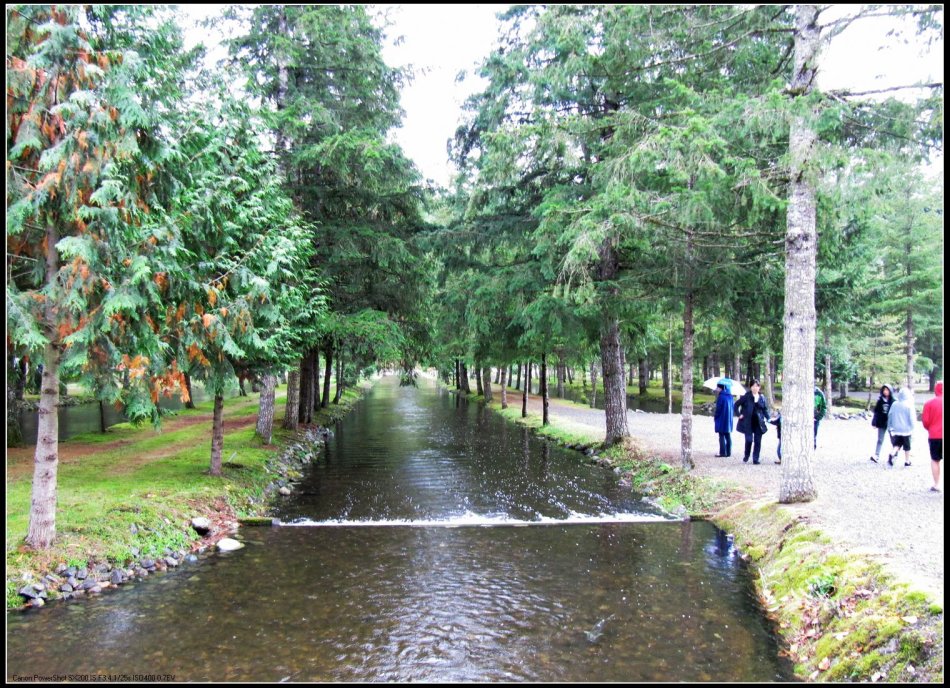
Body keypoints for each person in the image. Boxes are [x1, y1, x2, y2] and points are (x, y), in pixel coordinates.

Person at [736, 379, 769, 464]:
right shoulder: (746, 396)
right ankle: (746, 455)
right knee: (749, 440)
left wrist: (768, 418)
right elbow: (736, 405)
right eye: (753, 386)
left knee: (758, 441)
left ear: (759, 387)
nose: (755, 388)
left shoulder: (762, 397)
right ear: (750, 387)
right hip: (748, 422)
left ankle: (755, 459)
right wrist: (739, 414)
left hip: (759, 422)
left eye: (756, 386)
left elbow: (764, 409)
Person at [886, 387, 916, 467]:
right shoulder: (909, 405)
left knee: (897, 444)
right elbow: (912, 418)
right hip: (906, 430)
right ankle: (907, 461)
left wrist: (889, 427)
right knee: (907, 446)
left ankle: (892, 454)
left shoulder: (894, 404)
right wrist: (913, 428)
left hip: (896, 429)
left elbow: (890, 415)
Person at [921, 381, 943, 491]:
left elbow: (925, 422)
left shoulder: (929, 403)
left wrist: (931, 429)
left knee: (935, 460)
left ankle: (937, 484)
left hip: (935, 436)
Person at [869, 384, 894, 464]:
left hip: (891, 423)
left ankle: (893, 455)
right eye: (884, 390)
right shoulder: (880, 401)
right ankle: (876, 455)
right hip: (882, 423)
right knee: (880, 439)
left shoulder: (893, 401)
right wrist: (874, 422)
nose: (885, 392)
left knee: (893, 440)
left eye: (887, 390)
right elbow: (876, 412)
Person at [713, 381, 735, 457]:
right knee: (728, 435)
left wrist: (715, 416)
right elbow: (733, 407)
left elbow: (718, 409)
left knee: (721, 435)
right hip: (728, 418)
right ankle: (728, 452)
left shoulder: (721, 396)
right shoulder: (731, 396)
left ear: (721, 388)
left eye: (718, 387)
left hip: (721, 418)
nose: (717, 389)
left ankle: (722, 452)